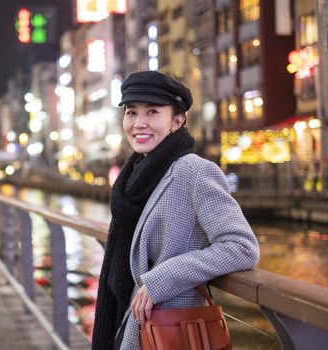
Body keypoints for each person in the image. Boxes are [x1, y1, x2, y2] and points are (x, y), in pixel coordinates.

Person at [91, 71, 260, 349]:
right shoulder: (133, 177)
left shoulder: (195, 171)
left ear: (177, 121)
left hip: (171, 327)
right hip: (130, 317)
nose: (139, 123)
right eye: (131, 113)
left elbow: (241, 246)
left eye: (153, 112)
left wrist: (163, 279)